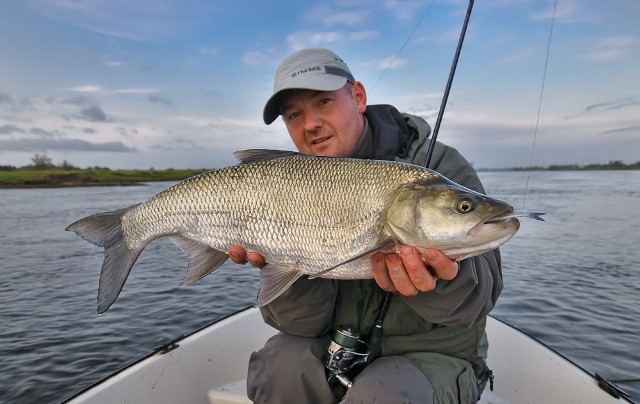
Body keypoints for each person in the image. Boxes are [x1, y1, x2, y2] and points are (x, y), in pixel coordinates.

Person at [229, 48, 502, 403]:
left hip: (433, 355)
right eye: (294, 114)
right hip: (334, 345)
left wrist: (436, 282)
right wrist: (282, 262)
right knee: (281, 364)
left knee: (384, 393)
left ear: (357, 96)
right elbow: (299, 326)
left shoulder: (440, 169)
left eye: (324, 102)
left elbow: (476, 305)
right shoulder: (281, 187)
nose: (310, 124)